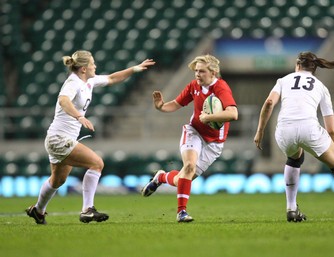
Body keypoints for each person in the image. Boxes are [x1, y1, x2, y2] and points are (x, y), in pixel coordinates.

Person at [26, 50, 155, 224]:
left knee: (58, 180)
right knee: (97, 163)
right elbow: (64, 100)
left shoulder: (88, 81)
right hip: (59, 138)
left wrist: (134, 69)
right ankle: (87, 210)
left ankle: (38, 211)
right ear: (84, 68)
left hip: (58, 138)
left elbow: (112, 78)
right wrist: (80, 117)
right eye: (93, 63)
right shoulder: (73, 82)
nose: (96, 66)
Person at [254, 51, 334, 222]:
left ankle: (291, 208)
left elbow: (269, 103)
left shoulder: (283, 80)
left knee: (294, 158)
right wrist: (331, 150)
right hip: (309, 128)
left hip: (284, 130)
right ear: (315, 68)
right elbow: (330, 128)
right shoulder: (321, 87)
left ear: (297, 65)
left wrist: (260, 131)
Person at [141, 54, 238, 222]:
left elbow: (233, 113)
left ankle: (161, 177)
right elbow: (176, 104)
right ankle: (181, 212)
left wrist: (209, 118)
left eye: (201, 71)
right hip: (194, 132)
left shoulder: (221, 88)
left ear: (213, 72)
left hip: (214, 143)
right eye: (196, 71)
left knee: (182, 179)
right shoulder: (194, 85)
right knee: (189, 166)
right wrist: (161, 107)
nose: (197, 75)